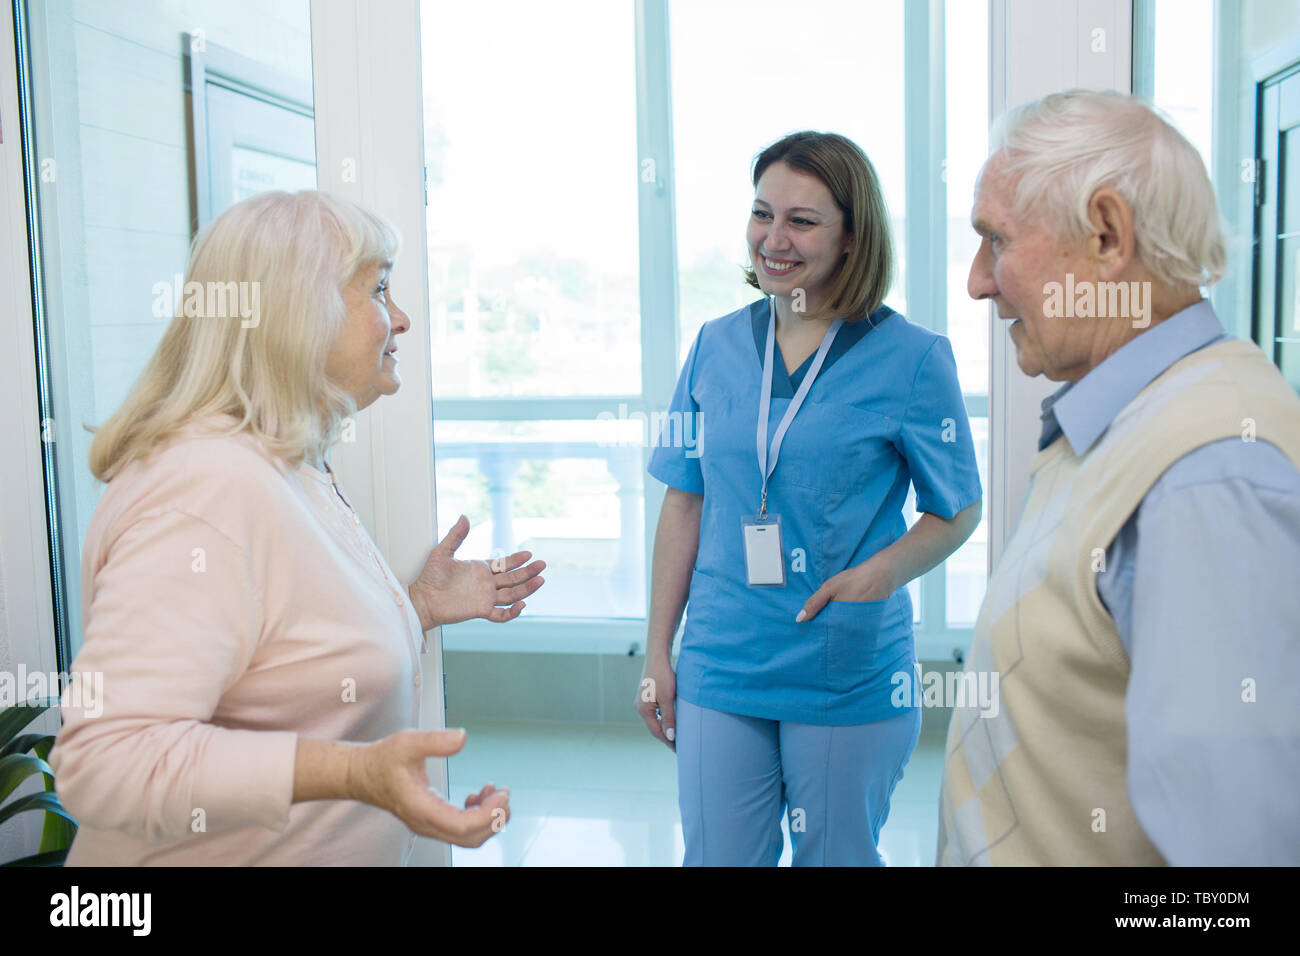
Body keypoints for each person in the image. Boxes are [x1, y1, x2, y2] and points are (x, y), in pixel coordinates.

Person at [49, 190, 545, 865]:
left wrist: (415, 606)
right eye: (378, 289)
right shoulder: (207, 484)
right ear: (296, 314)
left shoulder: (286, 464)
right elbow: (106, 760)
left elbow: (285, 660)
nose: (400, 318)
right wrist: (353, 774)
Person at [938, 90, 1300, 866]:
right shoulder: (1128, 421)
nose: (977, 281)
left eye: (995, 240)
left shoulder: (1206, 475)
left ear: (1106, 234)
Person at [638, 131, 983, 866]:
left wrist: (884, 572)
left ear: (853, 238)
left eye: (802, 220)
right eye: (762, 214)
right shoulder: (713, 344)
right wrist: (658, 649)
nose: (774, 239)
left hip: (844, 662)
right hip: (722, 660)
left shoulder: (915, 359)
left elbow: (958, 508)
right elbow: (685, 502)